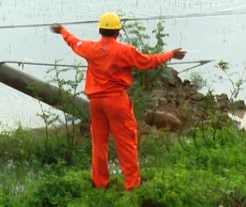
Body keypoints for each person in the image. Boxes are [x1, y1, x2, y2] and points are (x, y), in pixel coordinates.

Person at [51, 12, 186, 191]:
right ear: (117, 33)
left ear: (100, 31)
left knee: (99, 143)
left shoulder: (90, 48)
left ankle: (99, 182)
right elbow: (148, 62)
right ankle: (132, 184)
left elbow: (74, 42)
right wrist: (171, 54)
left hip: (96, 103)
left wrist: (62, 30)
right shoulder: (125, 51)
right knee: (126, 142)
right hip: (116, 101)